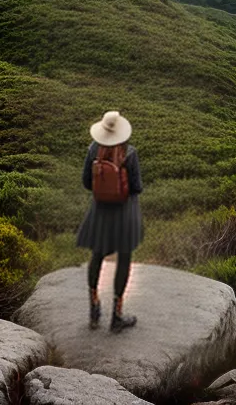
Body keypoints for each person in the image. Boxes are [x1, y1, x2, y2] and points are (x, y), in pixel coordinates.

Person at [76, 109, 143, 331]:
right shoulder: (130, 152)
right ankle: (117, 316)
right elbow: (136, 187)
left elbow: (86, 182)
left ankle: (94, 310)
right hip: (125, 212)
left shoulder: (93, 149)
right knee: (124, 258)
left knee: (97, 254)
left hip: (100, 211)